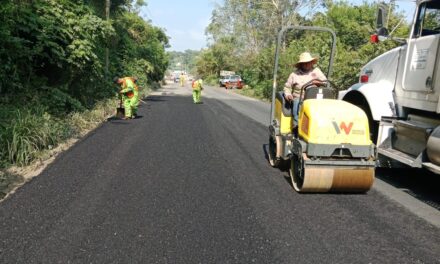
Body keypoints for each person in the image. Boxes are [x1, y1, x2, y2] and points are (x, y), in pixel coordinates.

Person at [283, 52, 327, 123]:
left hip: (314, 97)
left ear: (312, 62)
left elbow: (326, 82)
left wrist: (319, 83)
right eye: (304, 63)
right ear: (301, 64)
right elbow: (287, 87)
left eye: (308, 62)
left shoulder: (317, 71)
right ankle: (296, 126)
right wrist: (288, 95)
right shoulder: (294, 75)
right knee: (297, 105)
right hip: (300, 98)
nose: (307, 64)